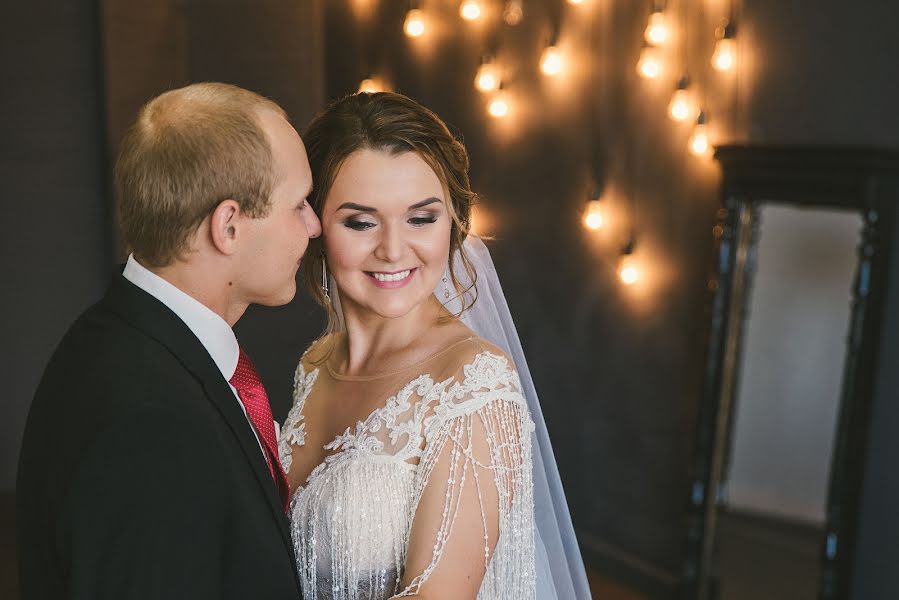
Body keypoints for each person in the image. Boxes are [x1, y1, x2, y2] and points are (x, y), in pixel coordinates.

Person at [278, 91, 591, 599]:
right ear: (315, 224)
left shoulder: (475, 384)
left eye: (421, 219)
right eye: (360, 222)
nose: (394, 250)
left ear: (453, 223)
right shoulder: (315, 364)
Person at [16, 82, 321, 599]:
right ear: (228, 226)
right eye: (298, 205)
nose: (314, 226)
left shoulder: (122, 341)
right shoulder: (150, 418)